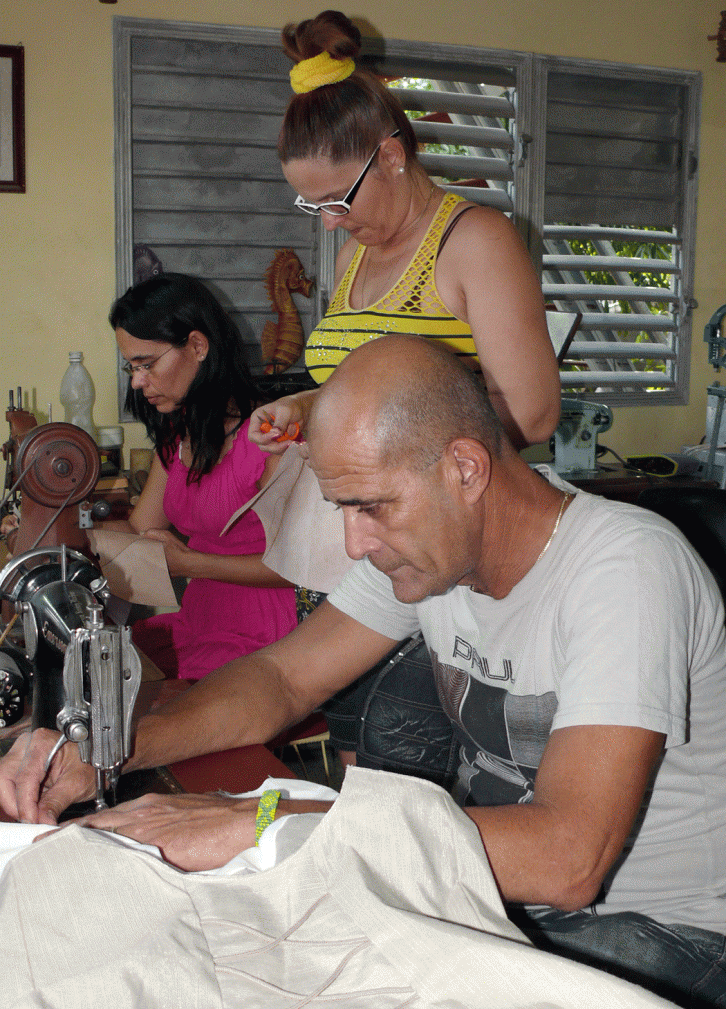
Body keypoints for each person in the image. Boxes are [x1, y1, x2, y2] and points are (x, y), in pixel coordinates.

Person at [2, 335, 725, 1006]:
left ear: (466, 469)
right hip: (487, 892)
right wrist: (105, 748)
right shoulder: (429, 552)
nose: (354, 541)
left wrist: (263, 821)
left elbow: (569, 859)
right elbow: (284, 680)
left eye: (370, 507)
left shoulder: (624, 567)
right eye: (344, 509)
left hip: (656, 936)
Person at [249, 9, 562, 773]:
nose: (327, 225)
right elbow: (366, 392)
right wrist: (307, 409)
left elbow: (532, 411)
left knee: (411, 757)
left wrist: (400, 458)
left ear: (390, 156)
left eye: (335, 200)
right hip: (352, 549)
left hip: (441, 543)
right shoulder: (361, 255)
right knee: (357, 747)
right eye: (311, 206)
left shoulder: (473, 241)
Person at [105, 272, 297, 680]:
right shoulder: (179, 435)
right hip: (202, 615)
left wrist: (191, 563)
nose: (138, 382)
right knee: (102, 666)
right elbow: (141, 529)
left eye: (147, 364)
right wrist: (65, 531)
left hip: (265, 632)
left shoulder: (268, 438)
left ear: (197, 345)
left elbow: (296, 567)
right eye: (131, 367)